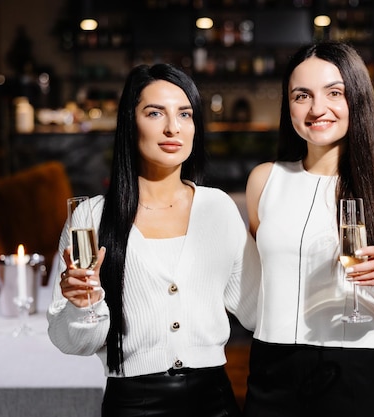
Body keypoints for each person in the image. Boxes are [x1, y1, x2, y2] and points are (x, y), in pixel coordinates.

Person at [47, 63, 261, 417]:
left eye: (185, 114)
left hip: (214, 401)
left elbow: (256, 310)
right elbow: (73, 343)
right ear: (130, 124)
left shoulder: (218, 209)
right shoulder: (91, 219)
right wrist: (82, 306)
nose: (173, 127)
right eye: (155, 112)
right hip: (132, 404)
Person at [242, 41, 374, 417]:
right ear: (287, 105)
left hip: (358, 371)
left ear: (356, 99)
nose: (317, 109)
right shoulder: (264, 181)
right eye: (301, 95)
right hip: (271, 368)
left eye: (334, 93)